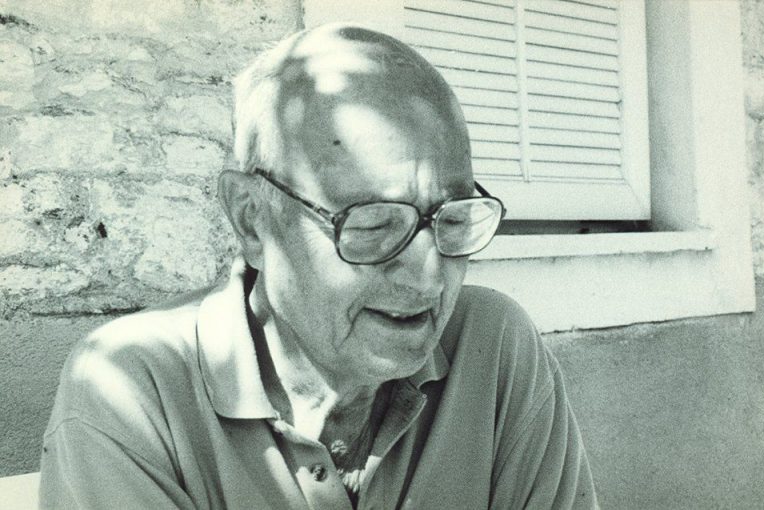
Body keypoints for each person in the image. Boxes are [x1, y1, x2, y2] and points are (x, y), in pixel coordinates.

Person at [39, 23, 598, 509]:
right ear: (252, 219)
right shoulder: (131, 389)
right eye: (372, 224)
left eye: (452, 219)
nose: (429, 277)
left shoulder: (491, 346)